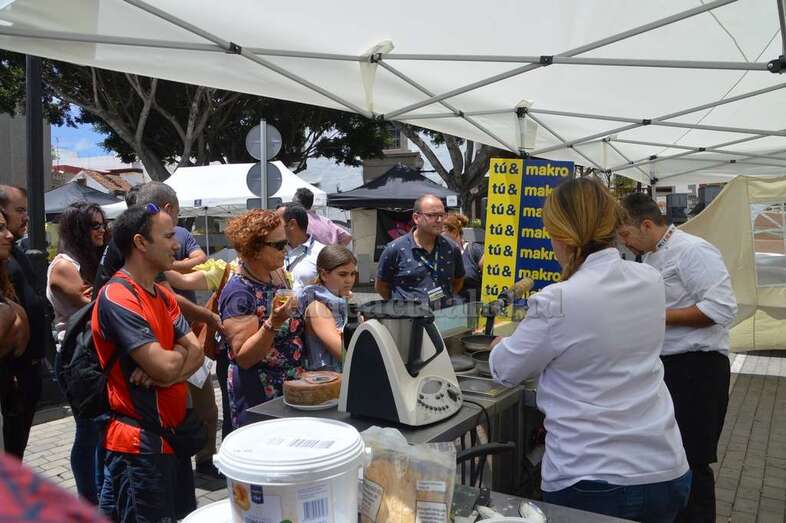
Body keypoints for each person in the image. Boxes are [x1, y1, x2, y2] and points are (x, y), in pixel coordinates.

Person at [489, 178, 690, 522]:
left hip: (592, 479)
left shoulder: (557, 299)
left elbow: (505, 370)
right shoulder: (649, 280)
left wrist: (500, 343)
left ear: (563, 235)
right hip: (665, 468)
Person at [619, 192, 737, 522]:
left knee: (693, 458)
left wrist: (658, 317)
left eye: (626, 235)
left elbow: (722, 308)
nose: (626, 245)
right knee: (670, 455)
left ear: (645, 224)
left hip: (698, 369)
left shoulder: (692, 250)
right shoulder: (649, 258)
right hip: (667, 368)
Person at [93, 182, 221, 480]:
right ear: (141, 243)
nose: (177, 245)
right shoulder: (119, 296)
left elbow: (195, 353)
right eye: (168, 236)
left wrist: (170, 369)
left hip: (169, 440)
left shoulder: (161, 294)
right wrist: (180, 356)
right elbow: (167, 364)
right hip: (141, 448)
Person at [218, 210, 304, 428]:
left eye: (286, 243)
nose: (285, 249)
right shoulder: (239, 292)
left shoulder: (278, 274)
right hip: (258, 393)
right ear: (254, 249)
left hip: (289, 386)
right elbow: (245, 357)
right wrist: (272, 324)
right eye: (278, 245)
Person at [47, 203, 108, 505]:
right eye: (94, 226)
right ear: (77, 231)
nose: (101, 230)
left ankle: (98, 492)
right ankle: (88, 500)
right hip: (75, 359)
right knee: (88, 431)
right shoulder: (63, 265)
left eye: (102, 224)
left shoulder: (93, 261)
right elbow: (96, 301)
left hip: (96, 356)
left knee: (100, 430)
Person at [0, 185, 51, 459]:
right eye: (19, 210)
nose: (25, 217)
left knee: (16, 449)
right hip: (12, 373)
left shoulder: (16, 250)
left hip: (29, 369)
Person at [376, 194, 465, 309]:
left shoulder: (451, 248)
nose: (439, 220)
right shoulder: (395, 249)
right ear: (416, 218)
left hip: (443, 319)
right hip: (407, 320)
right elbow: (381, 286)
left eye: (442, 215)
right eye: (432, 215)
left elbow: (458, 281)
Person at [297, 245, 356, 372]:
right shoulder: (318, 308)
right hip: (326, 381)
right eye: (343, 274)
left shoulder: (341, 301)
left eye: (352, 274)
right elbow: (342, 352)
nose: (349, 280)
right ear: (324, 275)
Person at [275, 203, 325, 291]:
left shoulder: (322, 253)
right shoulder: (272, 251)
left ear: (292, 224)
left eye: (277, 222)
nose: (273, 226)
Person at [442, 213, 483, 302]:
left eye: (442, 233)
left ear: (454, 232)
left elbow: (489, 279)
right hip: (446, 310)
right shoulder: (438, 254)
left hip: (472, 309)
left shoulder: (475, 250)